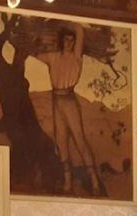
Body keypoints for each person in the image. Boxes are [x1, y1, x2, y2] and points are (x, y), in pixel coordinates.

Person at [30, 24, 104, 195]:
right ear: (62, 41)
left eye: (72, 40)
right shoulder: (53, 57)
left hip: (69, 100)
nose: (69, 43)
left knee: (79, 139)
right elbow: (36, 54)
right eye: (66, 40)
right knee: (61, 141)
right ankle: (67, 182)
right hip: (57, 100)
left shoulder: (76, 57)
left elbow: (80, 31)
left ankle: (94, 181)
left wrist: (65, 21)